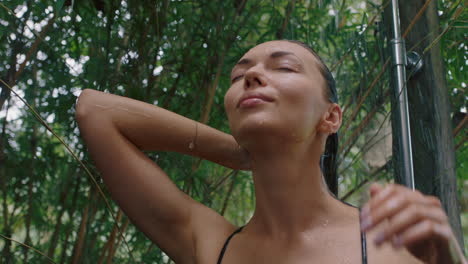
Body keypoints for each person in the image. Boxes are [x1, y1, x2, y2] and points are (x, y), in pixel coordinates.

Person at [75, 40, 466, 264]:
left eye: (285, 68)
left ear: (331, 117)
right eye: (238, 75)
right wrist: (239, 152)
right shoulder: (212, 245)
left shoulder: (390, 245)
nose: (251, 76)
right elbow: (95, 111)